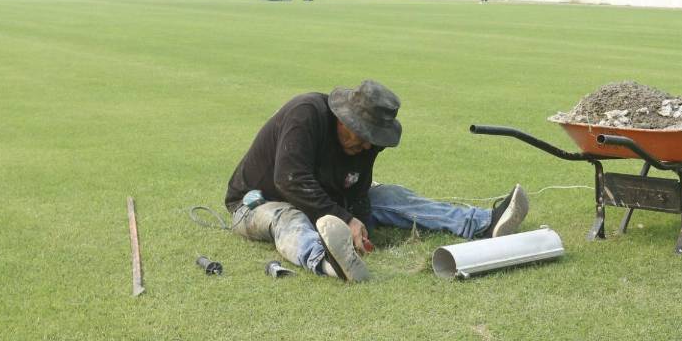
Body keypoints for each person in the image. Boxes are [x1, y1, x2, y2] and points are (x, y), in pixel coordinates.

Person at [225, 80, 529, 282]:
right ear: (343, 121)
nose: (369, 147)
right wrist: (345, 218)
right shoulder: (306, 114)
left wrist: (360, 222)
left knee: (391, 196)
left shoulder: (366, 144)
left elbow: (358, 189)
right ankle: (329, 261)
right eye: (364, 136)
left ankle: (482, 222)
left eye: (374, 139)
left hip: (323, 200)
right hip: (256, 203)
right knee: (288, 216)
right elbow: (290, 180)